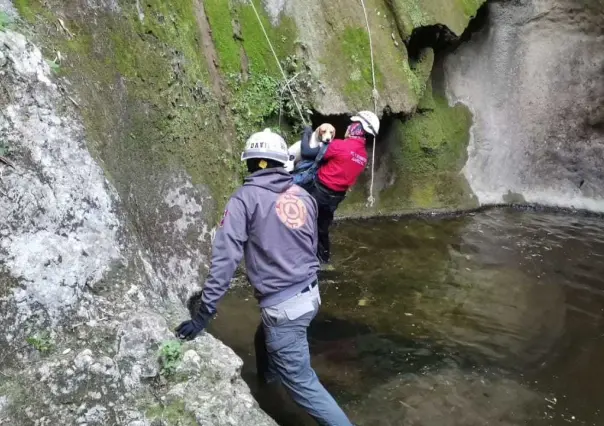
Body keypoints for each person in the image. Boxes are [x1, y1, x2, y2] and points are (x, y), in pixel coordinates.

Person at [175, 128, 353, 426]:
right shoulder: (303, 195)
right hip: (310, 295)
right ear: (281, 162)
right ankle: (267, 385)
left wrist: (204, 313)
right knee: (265, 337)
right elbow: (311, 245)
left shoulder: (244, 200)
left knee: (302, 384)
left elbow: (225, 259)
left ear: (251, 163)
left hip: (284, 308)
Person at [305, 111, 380, 266]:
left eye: (350, 125)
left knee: (304, 222)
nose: (347, 128)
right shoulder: (363, 157)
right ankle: (324, 261)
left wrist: (306, 133)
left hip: (318, 192)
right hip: (336, 198)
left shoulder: (340, 146)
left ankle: (299, 257)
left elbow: (309, 152)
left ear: (355, 128)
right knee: (322, 228)